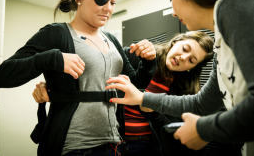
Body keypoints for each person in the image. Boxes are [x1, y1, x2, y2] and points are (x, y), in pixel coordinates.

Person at [105, 0, 254, 155]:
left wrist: (204, 129)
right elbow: (200, 104)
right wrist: (142, 97)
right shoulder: (222, 42)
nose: (173, 13)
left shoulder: (237, 2)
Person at [0, 0, 157, 156]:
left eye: (113, 1)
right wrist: (52, 58)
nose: (108, 8)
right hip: (75, 148)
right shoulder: (56, 33)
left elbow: (135, 83)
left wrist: (148, 62)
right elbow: (2, 76)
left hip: (114, 145)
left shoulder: (111, 40)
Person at [33, 31, 214, 156]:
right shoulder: (137, 56)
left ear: (193, 68)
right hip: (113, 141)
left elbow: (172, 130)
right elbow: (91, 74)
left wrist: (152, 110)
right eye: (185, 49)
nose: (183, 58)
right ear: (176, 42)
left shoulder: (184, 90)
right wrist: (51, 86)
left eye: (191, 60)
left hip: (148, 146)